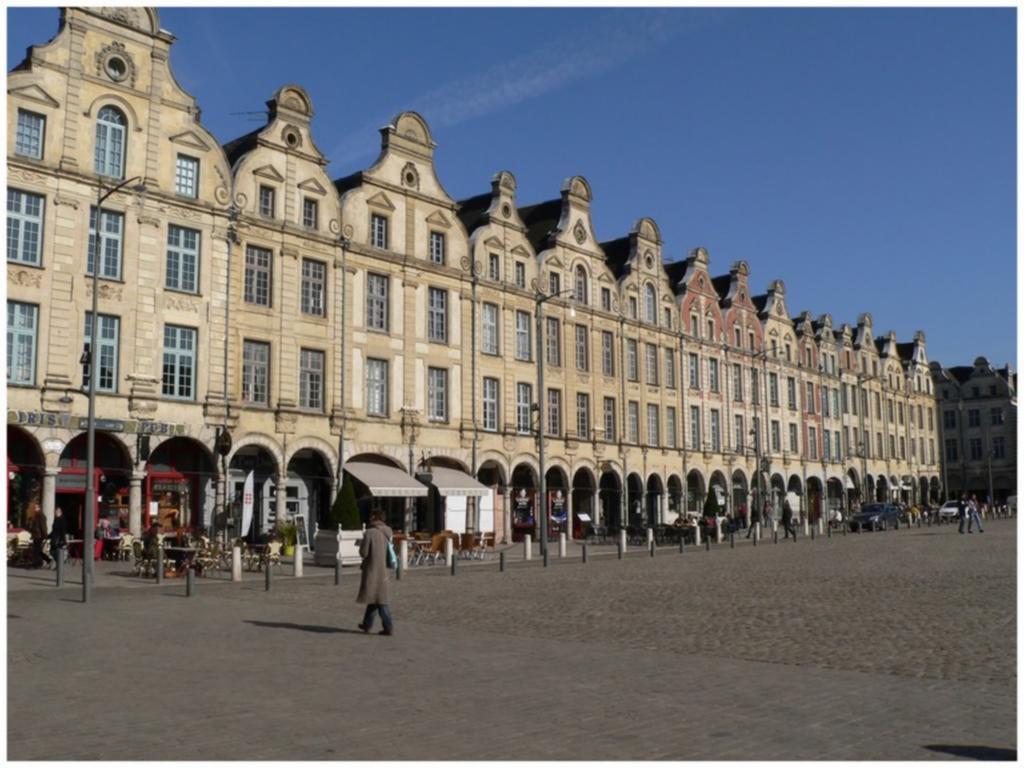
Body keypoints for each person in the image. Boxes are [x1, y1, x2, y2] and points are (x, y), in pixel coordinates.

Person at [357, 512, 395, 636]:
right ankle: (366, 624)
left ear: (374, 518)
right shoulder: (388, 531)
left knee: (380, 601)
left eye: (371, 516)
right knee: (375, 597)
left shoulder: (370, 533)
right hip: (384, 570)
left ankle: (388, 627)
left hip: (373, 570)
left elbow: (364, 553)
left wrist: (361, 545)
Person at [27, 503, 51, 569]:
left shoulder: (41, 516)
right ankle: (45, 561)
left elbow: (43, 526)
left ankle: (38, 563)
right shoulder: (35, 516)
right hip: (35, 535)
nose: (35, 509)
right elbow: (33, 526)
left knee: (37, 550)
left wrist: (45, 536)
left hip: (39, 535)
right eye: (34, 507)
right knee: (37, 550)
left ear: (40, 508)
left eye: (36, 507)